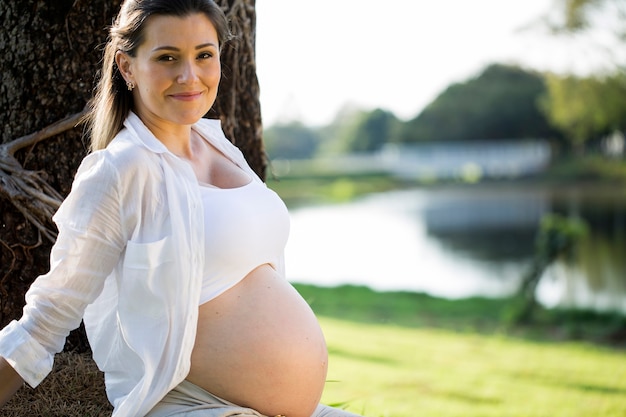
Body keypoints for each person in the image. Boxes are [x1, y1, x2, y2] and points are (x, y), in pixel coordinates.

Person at [0, 1, 364, 416]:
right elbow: (49, 314)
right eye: (167, 57)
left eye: (203, 55)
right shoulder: (120, 169)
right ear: (127, 67)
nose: (189, 76)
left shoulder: (220, 146)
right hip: (193, 407)